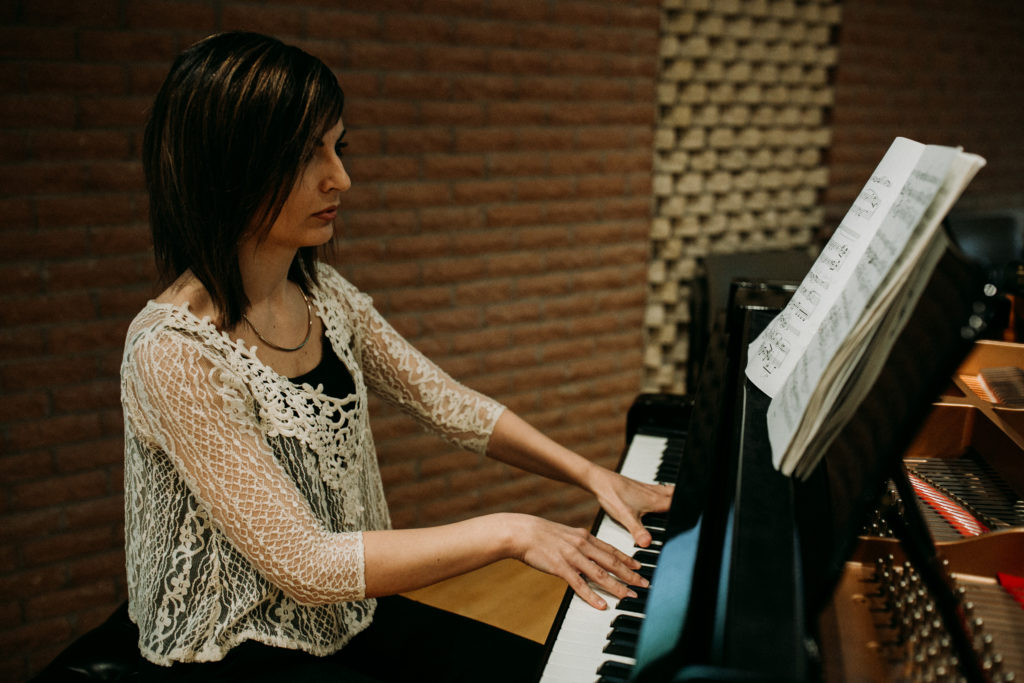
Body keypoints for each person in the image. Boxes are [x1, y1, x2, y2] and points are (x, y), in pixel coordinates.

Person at [119, 31, 672, 681]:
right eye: (307, 154)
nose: (341, 178)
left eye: (337, 147)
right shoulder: (172, 351)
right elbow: (307, 564)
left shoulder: (325, 295)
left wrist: (592, 474)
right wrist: (511, 532)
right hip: (235, 648)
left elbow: (449, 405)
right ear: (231, 166)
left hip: (345, 618)